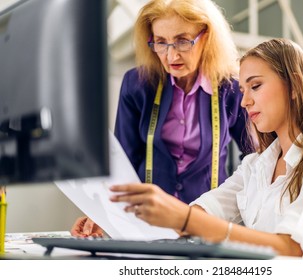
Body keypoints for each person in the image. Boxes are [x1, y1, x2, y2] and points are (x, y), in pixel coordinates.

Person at [106, 38, 303, 259]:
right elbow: (207, 210)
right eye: (243, 89)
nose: (244, 102)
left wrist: (185, 218)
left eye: (256, 86)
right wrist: (112, 226)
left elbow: (291, 249)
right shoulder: (256, 165)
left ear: (295, 84)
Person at [71, 0, 251, 236]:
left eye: (182, 41)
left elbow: (255, 160)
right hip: (148, 223)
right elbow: (123, 162)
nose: (171, 55)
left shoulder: (231, 88)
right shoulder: (137, 85)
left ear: (205, 36)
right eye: (161, 43)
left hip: (208, 221)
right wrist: (102, 215)